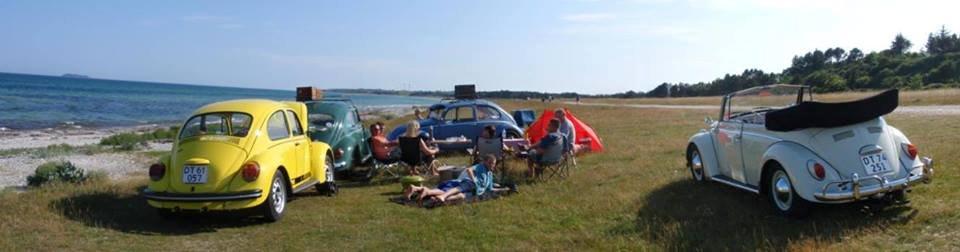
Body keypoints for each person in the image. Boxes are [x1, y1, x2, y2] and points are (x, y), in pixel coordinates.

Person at [404, 154, 498, 205]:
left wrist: (503, 189)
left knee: (458, 195)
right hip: (462, 184)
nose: (492, 165)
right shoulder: (479, 167)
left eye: (493, 163)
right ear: (484, 162)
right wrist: (473, 179)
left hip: (469, 189)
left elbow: (490, 188)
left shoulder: (489, 174)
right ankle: (434, 194)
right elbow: (469, 170)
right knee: (454, 190)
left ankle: (421, 190)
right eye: (490, 163)